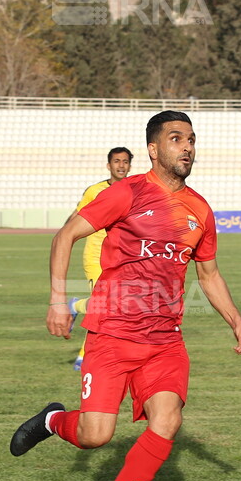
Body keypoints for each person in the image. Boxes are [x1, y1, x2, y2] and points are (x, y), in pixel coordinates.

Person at [9, 110, 241, 481]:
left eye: (192, 140)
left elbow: (209, 275)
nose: (188, 147)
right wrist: (57, 300)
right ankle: (53, 421)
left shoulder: (199, 209)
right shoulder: (127, 193)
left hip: (164, 342)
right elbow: (65, 235)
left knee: (168, 419)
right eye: (177, 139)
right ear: (154, 148)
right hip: (112, 334)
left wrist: (237, 322)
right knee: (95, 435)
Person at [67, 147, 134, 370]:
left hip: (122, 258)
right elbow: (75, 219)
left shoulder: (135, 189)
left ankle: (76, 308)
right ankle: (84, 354)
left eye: (125, 162)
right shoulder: (95, 191)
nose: (121, 166)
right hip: (96, 257)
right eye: (117, 161)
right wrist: (65, 239)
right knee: (104, 307)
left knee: (119, 308)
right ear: (109, 165)